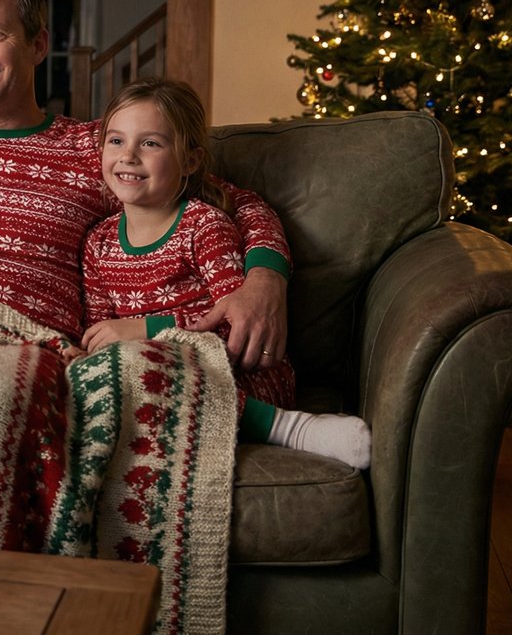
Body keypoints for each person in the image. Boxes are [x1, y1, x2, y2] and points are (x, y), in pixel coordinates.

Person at [0, 0, 291, 367]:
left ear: (38, 45)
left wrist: (264, 281)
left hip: (24, 354)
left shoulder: (100, 150)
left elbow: (240, 203)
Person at [71, 78, 370, 468]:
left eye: (151, 143)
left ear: (190, 162)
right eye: (116, 141)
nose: (128, 156)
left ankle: (291, 429)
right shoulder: (98, 243)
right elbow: (102, 328)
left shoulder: (203, 226)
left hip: (233, 371)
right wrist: (85, 351)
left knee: (146, 367)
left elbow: (235, 323)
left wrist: (146, 329)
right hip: (145, 369)